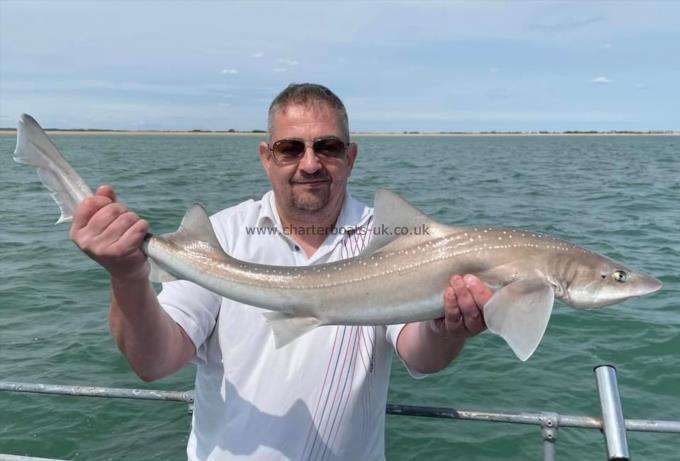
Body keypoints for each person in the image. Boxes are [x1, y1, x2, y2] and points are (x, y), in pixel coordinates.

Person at [70, 83, 492, 461]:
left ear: (351, 156)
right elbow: (154, 361)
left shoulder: (392, 240)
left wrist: (449, 328)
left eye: (326, 146)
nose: (310, 163)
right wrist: (126, 277)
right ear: (266, 158)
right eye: (291, 148)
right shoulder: (223, 237)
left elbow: (420, 352)